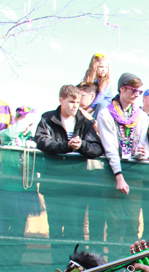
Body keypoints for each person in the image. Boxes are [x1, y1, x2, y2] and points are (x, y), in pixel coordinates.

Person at [35, 85, 105, 240]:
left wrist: (81, 146)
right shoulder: (48, 118)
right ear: (61, 100)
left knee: (74, 228)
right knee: (54, 227)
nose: (76, 106)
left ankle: (72, 264)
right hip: (54, 183)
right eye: (72, 102)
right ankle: (56, 262)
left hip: (77, 184)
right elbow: (41, 141)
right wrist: (66, 146)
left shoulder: (84, 122)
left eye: (78, 102)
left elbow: (97, 148)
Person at [97, 72, 149, 242]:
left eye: (139, 92)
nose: (136, 95)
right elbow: (110, 147)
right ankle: (113, 262)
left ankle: (131, 265)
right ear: (121, 89)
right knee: (113, 223)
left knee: (133, 223)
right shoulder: (106, 114)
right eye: (133, 90)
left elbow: (145, 144)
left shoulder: (142, 116)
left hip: (134, 172)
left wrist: (144, 153)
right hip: (112, 173)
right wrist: (118, 176)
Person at [81, 52, 115, 118]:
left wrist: (88, 111)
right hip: (92, 102)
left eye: (106, 67)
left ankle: (95, 123)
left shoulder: (108, 82)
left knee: (101, 104)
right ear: (94, 67)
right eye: (101, 67)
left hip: (104, 104)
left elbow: (100, 98)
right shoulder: (90, 80)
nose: (104, 70)